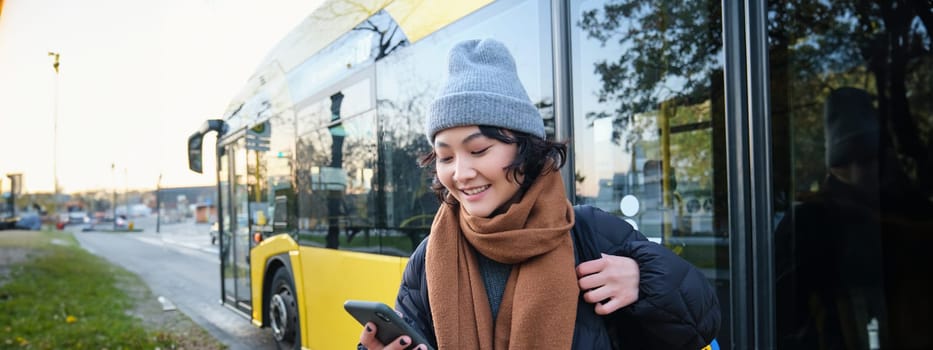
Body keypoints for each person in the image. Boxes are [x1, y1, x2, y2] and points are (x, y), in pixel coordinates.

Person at [359, 38, 720, 349]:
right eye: (445, 156)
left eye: (480, 150)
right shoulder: (429, 257)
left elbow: (701, 323)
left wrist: (644, 281)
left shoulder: (589, 233)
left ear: (525, 148)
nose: (461, 173)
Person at [774, 87, 933, 349]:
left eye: (868, 158)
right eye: (845, 162)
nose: (859, 172)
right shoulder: (809, 222)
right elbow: (783, 319)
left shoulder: (906, 209)